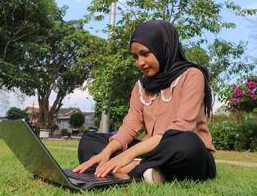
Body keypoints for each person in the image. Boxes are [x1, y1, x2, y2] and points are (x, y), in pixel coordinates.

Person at [73, 20, 216, 184]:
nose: (140, 62)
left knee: (186, 142)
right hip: (151, 151)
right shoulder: (141, 86)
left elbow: (181, 128)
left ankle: (131, 168)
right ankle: (149, 171)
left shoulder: (192, 75)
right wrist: (107, 152)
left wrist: (128, 155)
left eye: (145, 53)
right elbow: (130, 126)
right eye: (135, 57)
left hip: (184, 151)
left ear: (163, 47)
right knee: (89, 141)